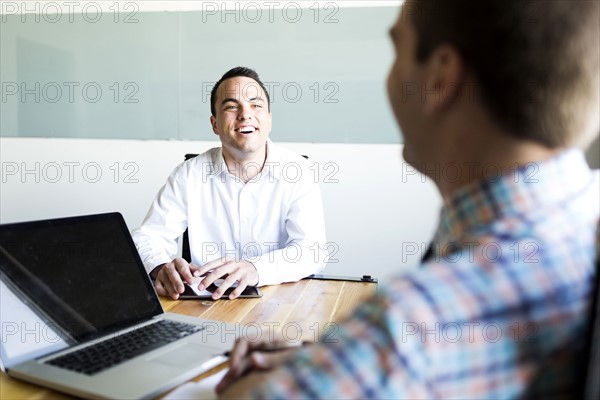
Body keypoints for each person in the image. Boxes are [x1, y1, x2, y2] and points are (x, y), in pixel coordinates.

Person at [216, 0, 600, 398]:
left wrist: (258, 381)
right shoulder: (581, 219)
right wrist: (333, 359)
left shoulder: (409, 328)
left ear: (439, 78)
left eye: (396, 50)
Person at [132, 67, 328, 300]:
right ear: (215, 124)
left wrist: (257, 269)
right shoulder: (189, 173)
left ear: (269, 119)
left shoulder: (298, 171)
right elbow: (148, 237)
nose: (245, 114)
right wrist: (160, 267)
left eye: (256, 105)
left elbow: (312, 251)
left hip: (279, 304)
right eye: (232, 106)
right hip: (205, 303)